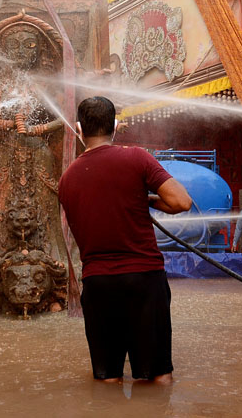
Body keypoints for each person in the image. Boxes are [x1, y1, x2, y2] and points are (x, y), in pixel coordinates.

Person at [58, 97, 192, 385]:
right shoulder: (136, 158)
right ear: (115, 126)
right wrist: (148, 200)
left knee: (107, 381)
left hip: (98, 284)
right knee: (157, 376)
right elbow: (182, 201)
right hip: (143, 279)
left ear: (79, 129)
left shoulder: (67, 179)